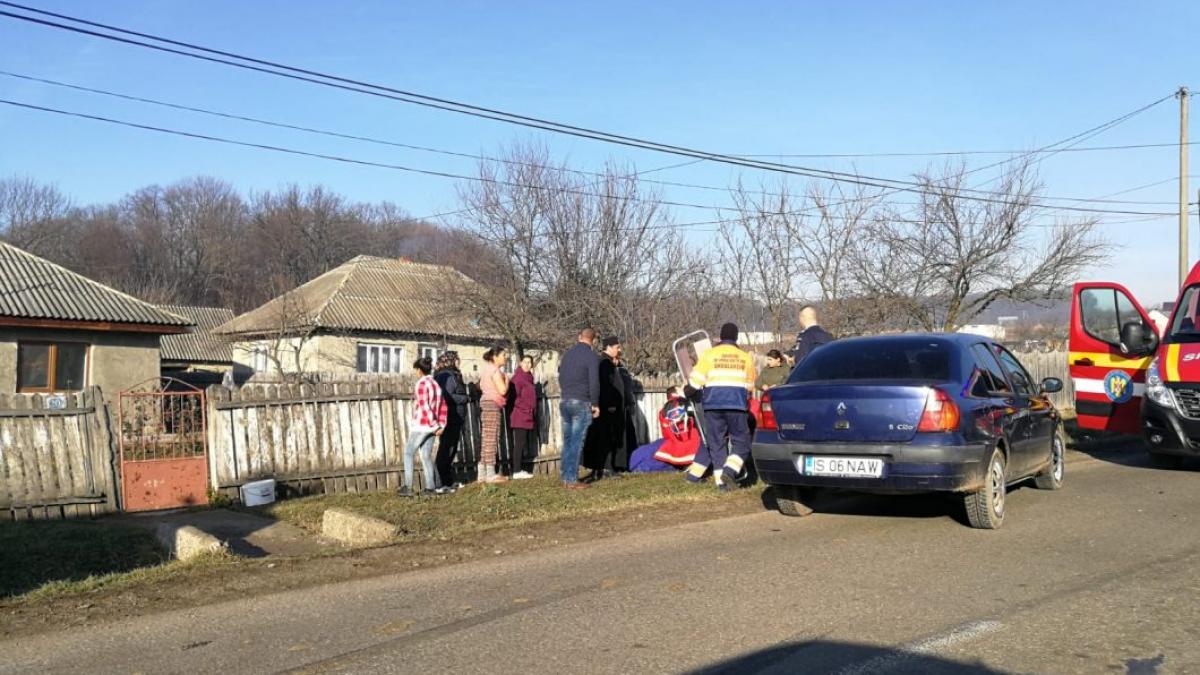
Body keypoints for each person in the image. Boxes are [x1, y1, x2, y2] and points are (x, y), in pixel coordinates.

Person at [684, 322, 757, 491]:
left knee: (716, 443)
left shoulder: (709, 355)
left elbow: (695, 382)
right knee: (742, 442)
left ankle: (721, 483)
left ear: (721, 336)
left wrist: (686, 393)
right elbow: (750, 386)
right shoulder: (745, 357)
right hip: (736, 405)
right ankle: (729, 471)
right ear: (736, 337)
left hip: (713, 405)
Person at [558, 328, 601, 490]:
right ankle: (571, 479)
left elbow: (561, 376)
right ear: (593, 340)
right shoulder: (591, 356)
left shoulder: (567, 355)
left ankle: (565, 476)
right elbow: (594, 382)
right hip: (581, 401)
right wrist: (595, 403)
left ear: (579, 337)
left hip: (565, 400)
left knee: (568, 441)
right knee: (576, 442)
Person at [583, 336, 629, 482]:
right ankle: (606, 468)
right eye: (617, 347)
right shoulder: (604, 363)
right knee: (606, 437)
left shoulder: (608, 362)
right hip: (608, 407)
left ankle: (605, 467)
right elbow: (605, 386)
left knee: (608, 436)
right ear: (608, 347)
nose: (619, 350)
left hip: (610, 407)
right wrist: (610, 404)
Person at [399, 357, 447, 497]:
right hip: (433, 425)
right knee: (426, 456)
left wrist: (434, 425)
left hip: (422, 425)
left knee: (408, 453)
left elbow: (424, 406)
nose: (415, 372)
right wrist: (441, 425)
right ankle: (430, 488)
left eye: (416, 370)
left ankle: (408, 486)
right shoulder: (435, 384)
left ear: (419, 370)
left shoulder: (421, 384)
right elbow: (443, 406)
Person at [629, 386, 704, 472]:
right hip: (686, 442)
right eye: (680, 388)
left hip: (673, 440)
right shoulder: (682, 404)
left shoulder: (665, 409)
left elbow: (666, 432)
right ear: (675, 393)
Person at [433, 351, 469, 491]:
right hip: (449, 417)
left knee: (451, 449)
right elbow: (446, 396)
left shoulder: (453, 375)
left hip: (455, 417)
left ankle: (447, 481)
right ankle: (439, 483)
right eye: (457, 359)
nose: (459, 361)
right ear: (451, 360)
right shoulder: (445, 376)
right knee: (446, 449)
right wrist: (464, 398)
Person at [478, 344, 510, 484]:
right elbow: (502, 390)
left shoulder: (486, 369)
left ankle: (482, 474)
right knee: (492, 437)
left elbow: (480, 386)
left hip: (486, 402)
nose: (506, 358)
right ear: (495, 357)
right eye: (503, 355)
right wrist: (507, 381)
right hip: (492, 404)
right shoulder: (495, 371)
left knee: (486, 438)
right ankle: (490, 474)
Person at [507, 354, 537, 479]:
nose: (527, 364)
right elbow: (513, 398)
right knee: (519, 443)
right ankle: (517, 471)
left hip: (527, 414)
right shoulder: (518, 378)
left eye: (529, 362)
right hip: (520, 414)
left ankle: (519, 469)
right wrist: (526, 408)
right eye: (525, 362)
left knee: (522, 442)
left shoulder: (529, 377)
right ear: (520, 363)